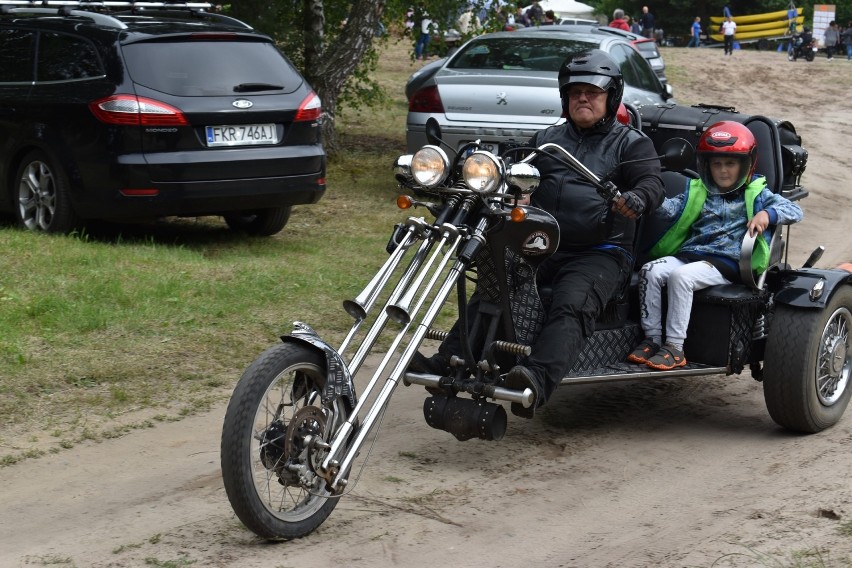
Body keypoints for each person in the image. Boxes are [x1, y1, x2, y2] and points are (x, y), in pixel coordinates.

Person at [411, 50, 665, 418]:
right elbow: (518, 174)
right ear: (565, 97)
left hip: (602, 251)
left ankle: (535, 378)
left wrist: (637, 198)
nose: (583, 98)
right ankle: (449, 361)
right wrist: (514, 191)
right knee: (494, 282)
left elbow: (652, 182)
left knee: (572, 301)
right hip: (542, 243)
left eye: (592, 92)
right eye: (575, 91)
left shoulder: (630, 143)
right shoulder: (547, 137)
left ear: (611, 97)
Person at [627, 121, 803, 370]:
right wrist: (646, 199)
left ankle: (675, 347)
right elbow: (669, 210)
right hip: (692, 255)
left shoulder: (757, 193)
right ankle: (652, 339)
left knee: (681, 277)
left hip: (729, 262)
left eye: (730, 163)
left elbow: (794, 210)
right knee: (650, 271)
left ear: (745, 164)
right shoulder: (699, 190)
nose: (723, 170)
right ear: (706, 164)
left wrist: (768, 215)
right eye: (716, 163)